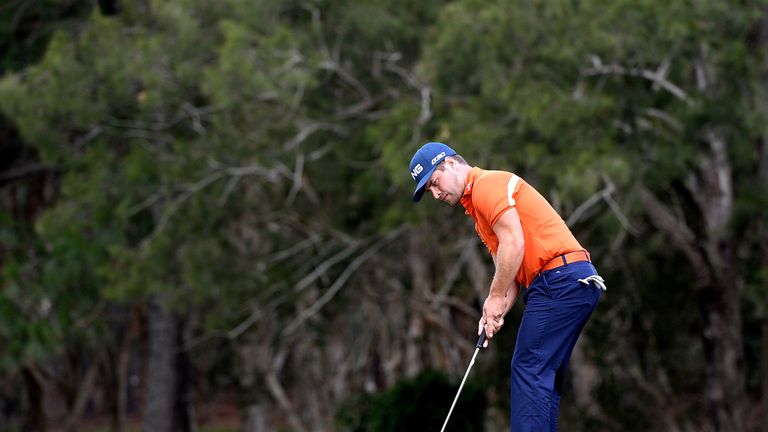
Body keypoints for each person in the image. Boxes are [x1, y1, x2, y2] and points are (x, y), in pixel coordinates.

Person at [409, 142, 606, 431]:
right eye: (430, 191)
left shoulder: (487, 185)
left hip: (559, 280)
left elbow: (514, 243)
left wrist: (494, 296)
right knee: (543, 376)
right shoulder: (478, 211)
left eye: (434, 183)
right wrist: (495, 311)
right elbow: (510, 270)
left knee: (529, 367)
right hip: (569, 281)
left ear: (450, 164)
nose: (436, 194)